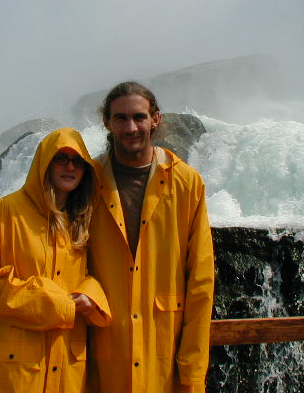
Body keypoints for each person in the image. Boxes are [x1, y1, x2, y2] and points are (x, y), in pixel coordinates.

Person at [0, 127, 111, 393]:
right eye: (61, 158)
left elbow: (100, 272)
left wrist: (91, 295)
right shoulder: (8, 211)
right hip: (15, 370)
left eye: (78, 161)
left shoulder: (83, 218)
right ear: (45, 163)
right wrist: (48, 301)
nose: (70, 167)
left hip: (67, 367)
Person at [87, 82, 215, 392]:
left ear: (155, 119)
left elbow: (201, 279)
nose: (130, 127)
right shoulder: (87, 181)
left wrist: (193, 370)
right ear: (107, 122)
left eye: (139, 117)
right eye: (120, 118)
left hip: (165, 353)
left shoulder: (186, 182)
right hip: (101, 351)